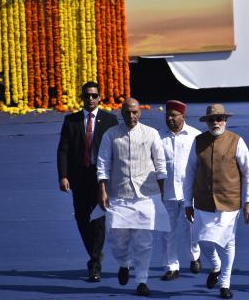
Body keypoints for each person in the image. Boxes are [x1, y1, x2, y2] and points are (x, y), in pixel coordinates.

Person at [97, 97, 170, 296]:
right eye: (127, 112)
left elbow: (161, 166)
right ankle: (123, 262)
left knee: (144, 242)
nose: (131, 116)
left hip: (146, 196)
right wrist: (102, 190)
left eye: (135, 112)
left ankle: (142, 281)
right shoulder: (111, 135)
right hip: (118, 195)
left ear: (140, 112)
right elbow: (103, 164)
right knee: (117, 240)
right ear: (121, 113)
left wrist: (162, 194)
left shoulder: (151, 133)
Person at [184, 104, 249, 299]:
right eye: (211, 119)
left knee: (228, 242)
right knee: (204, 241)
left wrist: (248, 201)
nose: (215, 122)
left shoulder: (236, 141)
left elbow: (248, 174)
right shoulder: (198, 142)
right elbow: (189, 172)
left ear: (226, 120)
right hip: (203, 201)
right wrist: (187, 203)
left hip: (229, 201)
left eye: (219, 119)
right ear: (206, 122)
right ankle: (215, 265)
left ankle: (225, 283)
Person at [57, 81, 118, 282]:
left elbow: (116, 150)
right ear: (81, 98)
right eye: (87, 96)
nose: (90, 99)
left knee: (99, 220)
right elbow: (63, 150)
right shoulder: (71, 121)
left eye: (94, 95)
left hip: (101, 178)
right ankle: (95, 252)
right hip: (78, 178)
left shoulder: (110, 120)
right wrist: (63, 176)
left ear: (100, 97)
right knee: (82, 219)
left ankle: (94, 264)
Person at [159, 100, 202, 281]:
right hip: (166, 192)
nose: (169, 118)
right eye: (167, 115)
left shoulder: (196, 136)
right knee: (167, 231)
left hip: (188, 192)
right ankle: (172, 266)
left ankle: (194, 256)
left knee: (191, 228)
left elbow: (201, 165)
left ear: (183, 116)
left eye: (173, 115)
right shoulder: (159, 137)